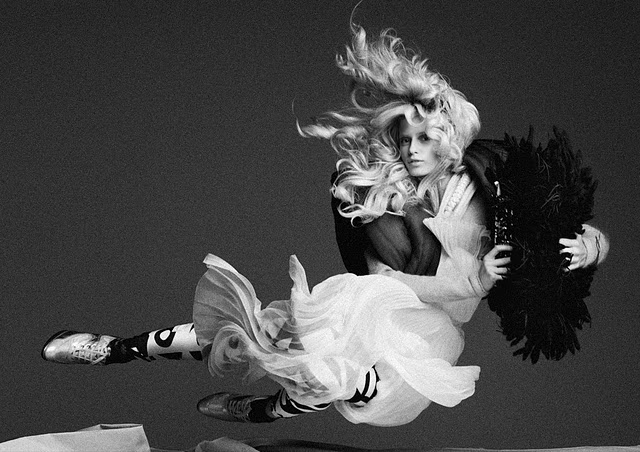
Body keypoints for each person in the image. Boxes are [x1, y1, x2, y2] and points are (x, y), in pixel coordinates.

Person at [41, 25, 608, 426]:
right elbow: (388, 280)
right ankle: (116, 348)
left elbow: (578, 225)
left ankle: (263, 411)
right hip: (383, 302)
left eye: (425, 138)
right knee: (261, 335)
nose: (412, 150)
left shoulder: (491, 178)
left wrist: (590, 247)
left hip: (432, 330)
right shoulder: (383, 197)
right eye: (403, 139)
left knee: (346, 386)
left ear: (450, 134)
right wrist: (471, 279)